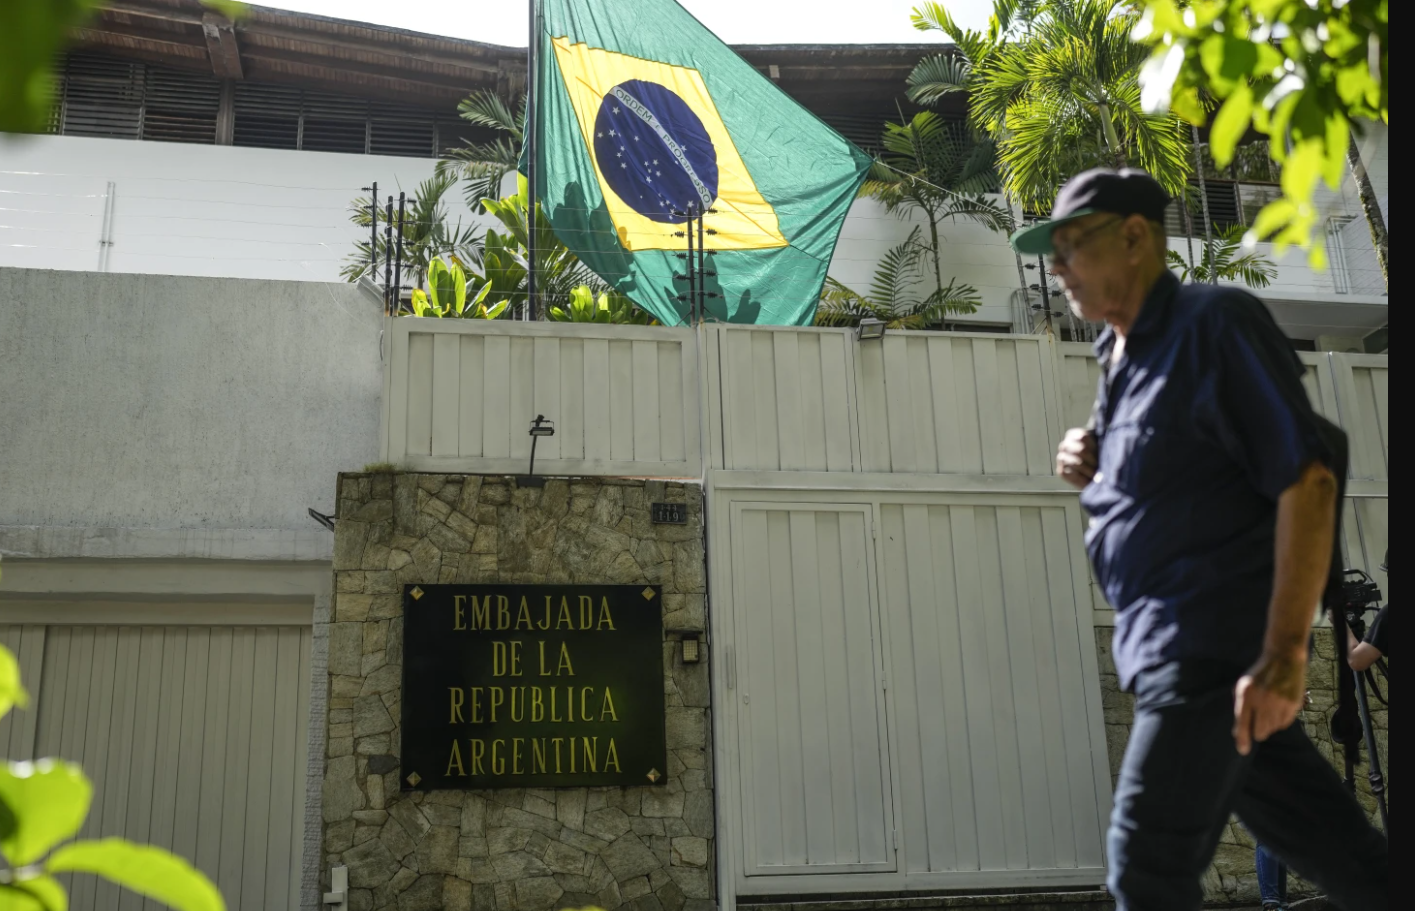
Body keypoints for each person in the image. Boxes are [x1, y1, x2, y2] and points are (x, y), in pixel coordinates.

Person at [1012, 168, 1388, 911]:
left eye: (1070, 248)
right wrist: (1085, 462)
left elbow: (1306, 476)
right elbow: (1167, 481)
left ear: (1133, 236)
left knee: (1143, 865)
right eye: (1049, 256)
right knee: (1351, 863)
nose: (1057, 271)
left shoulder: (1213, 323)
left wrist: (1284, 653)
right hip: (1165, 650)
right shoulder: (1115, 358)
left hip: (1206, 650)